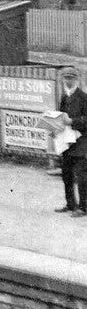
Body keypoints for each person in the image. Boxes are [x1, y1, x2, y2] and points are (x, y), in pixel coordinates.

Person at [55, 69, 87, 215]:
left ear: (77, 79)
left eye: (71, 78)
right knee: (66, 173)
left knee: (81, 176)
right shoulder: (64, 97)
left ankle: (83, 207)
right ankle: (71, 204)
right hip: (66, 140)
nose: (68, 81)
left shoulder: (83, 97)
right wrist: (54, 126)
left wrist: (72, 121)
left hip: (81, 141)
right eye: (65, 78)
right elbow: (61, 116)